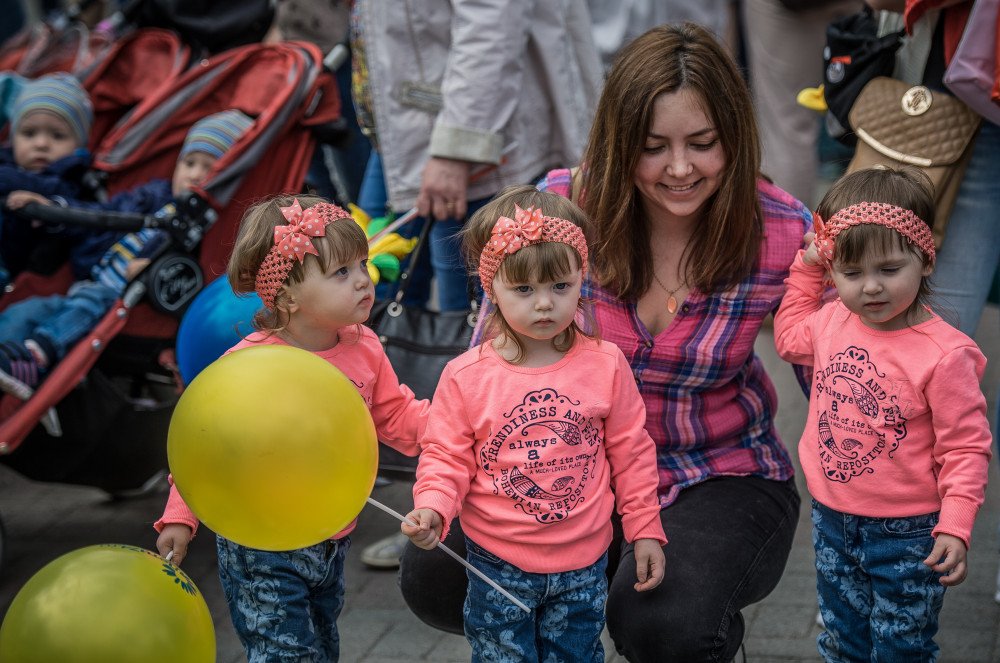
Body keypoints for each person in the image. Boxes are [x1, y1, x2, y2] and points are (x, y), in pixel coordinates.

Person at [400, 23, 809, 662]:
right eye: (653, 147)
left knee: (664, 622)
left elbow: (842, 371)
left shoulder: (782, 230)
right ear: (620, 145)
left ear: (735, 138)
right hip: (565, 471)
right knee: (438, 577)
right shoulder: (560, 206)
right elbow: (490, 365)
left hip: (717, 468)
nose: (680, 169)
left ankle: (699, 629)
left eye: (703, 144)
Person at [154, 194, 429, 662]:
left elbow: (396, 416)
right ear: (287, 295)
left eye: (361, 264)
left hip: (330, 535)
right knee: (283, 653)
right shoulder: (248, 365)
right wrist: (181, 515)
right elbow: (206, 447)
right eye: (341, 273)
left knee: (321, 645)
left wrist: (459, 426)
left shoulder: (363, 347)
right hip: (260, 542)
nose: (363, 280)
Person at [401, 185, 666, 662]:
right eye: (523, 289)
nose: (544, 303)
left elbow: (631, 451)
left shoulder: (606, 364)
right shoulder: (467, 377)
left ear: (581, 279)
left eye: (559, 287)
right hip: (496, 563)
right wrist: (435, 508)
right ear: (491, 288)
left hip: (585, 561)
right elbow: (445, 455)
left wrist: (644, 527)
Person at [773, 166, 992, 660]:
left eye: (889, 270)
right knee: (842, 639)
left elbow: (966, 446)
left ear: (926, 259)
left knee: (901, 647)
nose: (870, 288)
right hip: (832, 517)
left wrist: (956, 524)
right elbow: (787, 339)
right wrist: (807, 269)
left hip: (911, 532)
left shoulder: (944, 354)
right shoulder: (831, 320)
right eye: (851, 274)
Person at [350, 0, 602, 310]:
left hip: (472, 138)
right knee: (370, 289)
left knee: (466, 315)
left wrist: (457, 147)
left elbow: (491, 22)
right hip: (404, 134)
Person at [0, 110, 253, 396]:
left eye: (208, 167)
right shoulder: (150, 196)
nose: (193, 174)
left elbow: (192, 273)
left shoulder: (206, 231)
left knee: (87, 303)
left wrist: (153, 263)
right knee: (25, 309)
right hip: (86, 282)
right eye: (189, 162)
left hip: (115, 301)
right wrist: (54, 208)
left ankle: (36, 357)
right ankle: (6, 359)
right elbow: (103, 214)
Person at [0, 73, 93, 287]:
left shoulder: (75, 178)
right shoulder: (7, 162)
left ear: (78, 144)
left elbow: (51, 188)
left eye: (58, 136)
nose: (41, 144)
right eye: (29, 133)